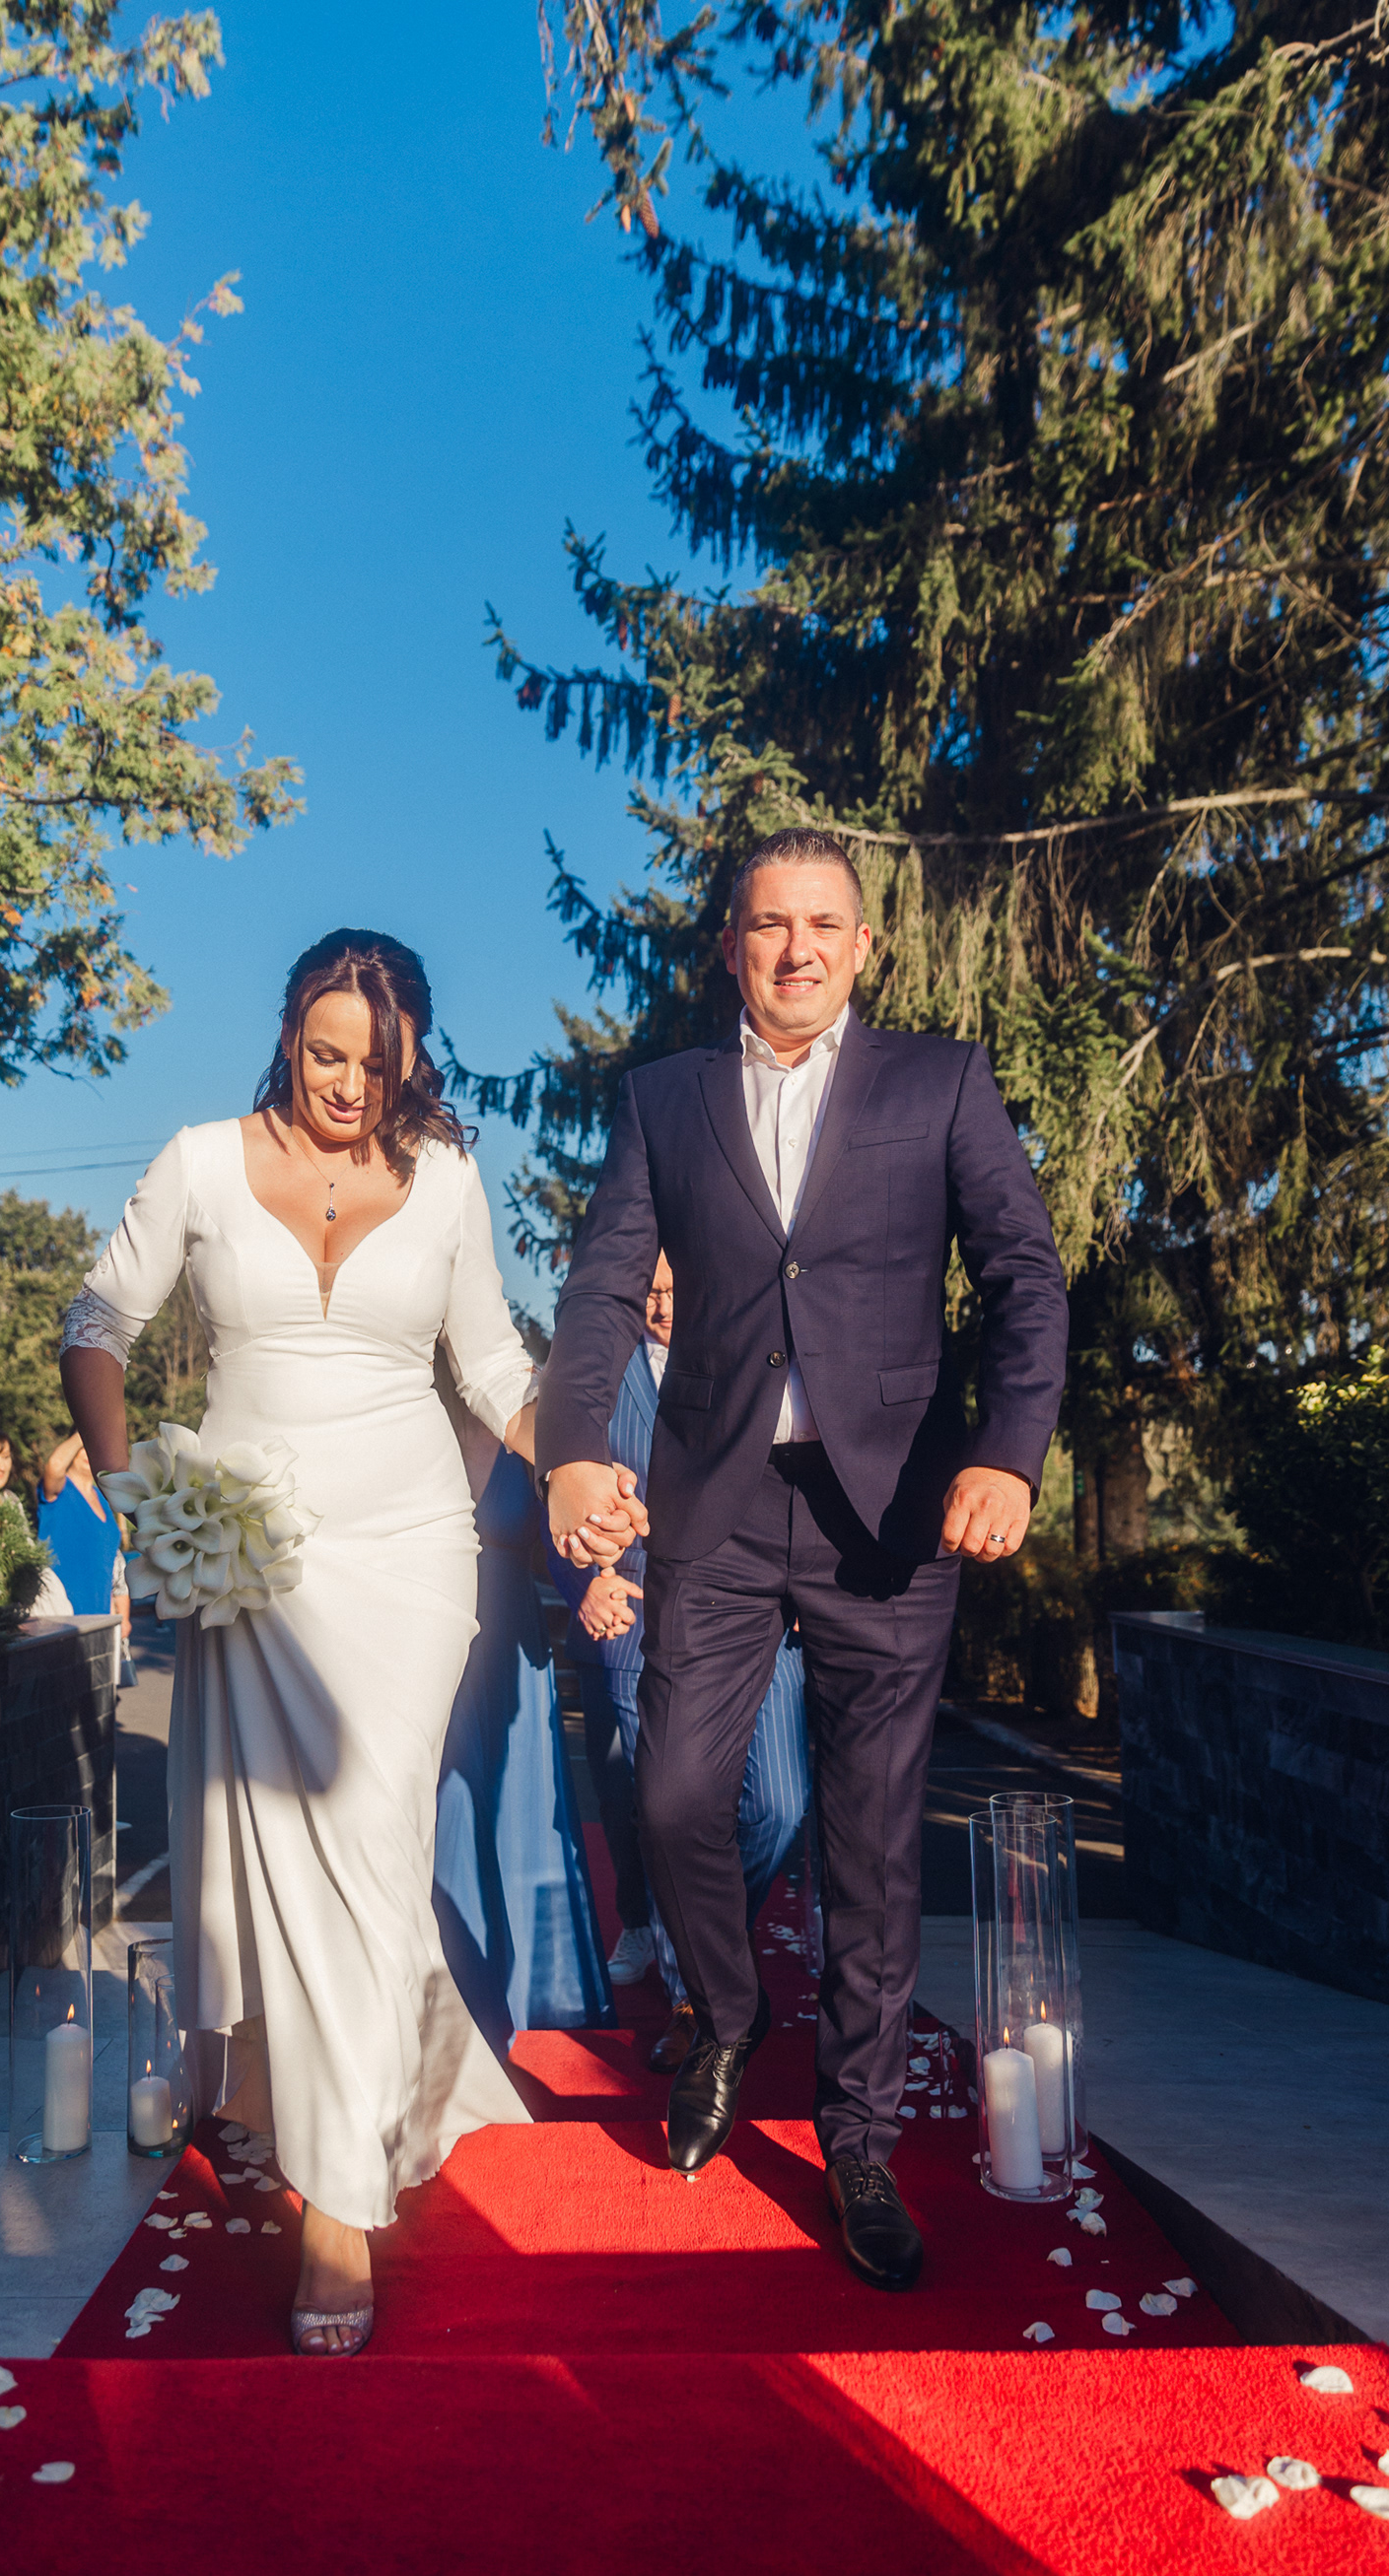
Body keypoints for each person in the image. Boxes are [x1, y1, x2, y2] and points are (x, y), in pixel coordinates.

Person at [536, 828, 1069, 2291]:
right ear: (731, 946)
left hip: (889, 1515)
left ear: (863, 945)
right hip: (712, 1504)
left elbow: (1023, 1274)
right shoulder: (663, 1100)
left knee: (870, 1843)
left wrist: (1009, 1451)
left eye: (823, 924)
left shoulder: (938, 1083)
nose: (797, 949)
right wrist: (573, 1443)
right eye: (770, 925)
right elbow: (603, 1286)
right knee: (673, 1792)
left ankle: (859, 2143)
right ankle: (724, 2014)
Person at [58, 930, 602, 2358]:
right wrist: (129, 1492)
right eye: (325, 1052)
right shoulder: (199, 1162)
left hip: (410, 1557)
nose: (349, 1083)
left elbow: (493, 1367)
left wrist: (567, 1464)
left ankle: (341, 2208)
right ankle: (307, 2108)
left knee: (366, 1846)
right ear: (289, 1037)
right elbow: (98, 1326)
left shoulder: (451, 1182)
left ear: (412, 1054)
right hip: (246, 1557)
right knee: (279, 1862)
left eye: (376, 1058)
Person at [549, 1249, 810, 2072]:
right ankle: (695, 2000)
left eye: (674, 1288)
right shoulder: (596, 1372)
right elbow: (553, 1487)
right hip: (636, 1619)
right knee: (666, 1815)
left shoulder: (756, 1351)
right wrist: (585, 1581)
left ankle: (711, 1940)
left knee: (780, 1806)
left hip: (757, 1613)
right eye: (648, 1292)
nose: (662, 1307)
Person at [431, 1407, 613, 2047]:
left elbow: (568, 1536)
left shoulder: (534, 1422)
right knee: (449, 1809)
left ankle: (540, 1989)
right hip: (433, 1634)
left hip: (510, 1639)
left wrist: (590, 1588)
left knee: (523, 1808)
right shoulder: (414, 1416)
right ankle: (458, 1985)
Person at [36, 1429, 133, 1669]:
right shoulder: (58, 1491)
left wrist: (123, 1616)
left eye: (93, 1447)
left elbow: (114, 1563)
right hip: (60, 1621)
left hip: (100, 1621)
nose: (88, 1453)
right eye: (83, 1447)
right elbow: (55, 1466)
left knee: (98, 1692)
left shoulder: (103, 1499)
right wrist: (87, 1427)